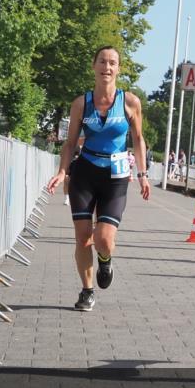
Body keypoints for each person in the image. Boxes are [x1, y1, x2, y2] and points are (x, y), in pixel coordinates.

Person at [45, 46, 151, 312]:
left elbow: (138, 139)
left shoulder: (130, 102)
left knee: (103, 238)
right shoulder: (82, 103)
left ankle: (105, 259)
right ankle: (87, 290)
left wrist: (143, 174)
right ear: (94, 66)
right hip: (85, 173)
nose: (107, 67)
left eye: (112, 63)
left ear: (118, 68)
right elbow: (70, 143)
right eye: (102, 61)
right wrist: (62, 171)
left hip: (115, 177)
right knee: (82, 237)